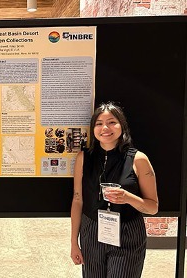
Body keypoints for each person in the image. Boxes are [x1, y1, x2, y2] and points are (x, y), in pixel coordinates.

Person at [70, 102, 158, 277]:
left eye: (112, 122)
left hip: (128, 231)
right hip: (91, 230)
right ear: (93, 128)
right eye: (99, 123)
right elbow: (78, 199)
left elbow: (153, 207)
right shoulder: (83, 158)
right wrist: (74, 242)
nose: (105, 128)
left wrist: (128, 198)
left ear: (122, 126)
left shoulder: (138, 159)